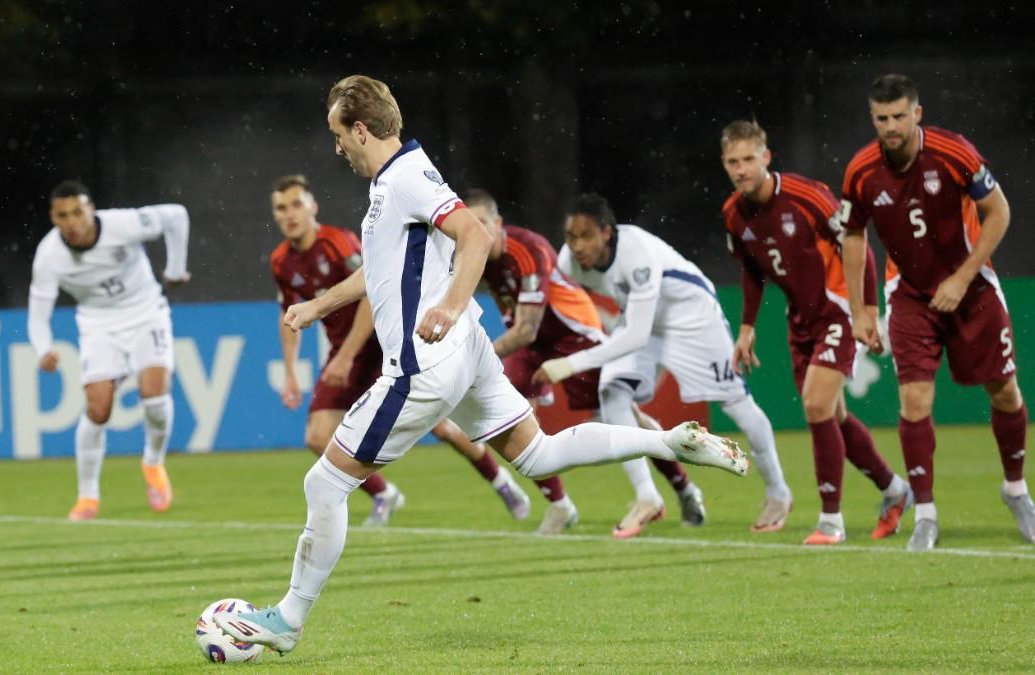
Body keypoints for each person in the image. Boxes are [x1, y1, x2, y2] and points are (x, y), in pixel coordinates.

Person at [228, 75, 747, 655]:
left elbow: (472, 234)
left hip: (422, 364)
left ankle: (288, 621)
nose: (335, 147)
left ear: (361, 128)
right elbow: (380, 270)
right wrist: (320, 305)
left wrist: (449, 306)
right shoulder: (402, 176)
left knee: (323, 482)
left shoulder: (402, 180)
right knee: (539, 453)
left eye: (337, 134)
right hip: (466, 350)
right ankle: (669, 443)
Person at [840, 74, 1034, 550]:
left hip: (972, 288)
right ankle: (925, 513)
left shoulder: (954, 152)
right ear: (873, 119)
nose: (891, 126)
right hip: (908, 296)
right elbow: (851, 234)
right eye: (882, 118)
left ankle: (1016, 490)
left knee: (1004, 391)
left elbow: (1000, 212)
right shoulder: (861, 171)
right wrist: (861, 309)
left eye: (900, 116)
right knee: (915, 402)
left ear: (916, 114)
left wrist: (963, 276)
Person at [269, 174, 531, 526]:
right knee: (317, 436)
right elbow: (288, 314)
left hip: (388, 340)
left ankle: (500, 481)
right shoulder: (281, 261)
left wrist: (346, 355)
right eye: (281, 208)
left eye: (296, 204)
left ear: (313, 207)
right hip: (345, 351)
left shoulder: (339, 244)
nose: (290, 214)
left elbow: (369, 292)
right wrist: (290, 371)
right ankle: (383, 494)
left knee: (442, 428)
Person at [534, 193, 790, 533]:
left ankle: (777, 491)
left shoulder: (635, 253)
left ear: (606, 233)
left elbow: (635, 335)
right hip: (644, 323)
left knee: (737, 405)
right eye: (571, 237)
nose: (577, 246)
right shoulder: (569, 261)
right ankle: (647, 497)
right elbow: (567, 305)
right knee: (612, 395)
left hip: (692, 319)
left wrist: (572, 363)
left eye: (586, 236)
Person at [719, 119, 912, 545]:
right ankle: (895, 490)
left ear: (766, 158)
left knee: (815, 405)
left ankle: (831, 521)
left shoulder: (807, 197)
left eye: (749, 159)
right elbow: (751, 270)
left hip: (839, 310)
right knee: (833, 417)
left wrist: (866, 311)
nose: (741, 169)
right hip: (800, 320)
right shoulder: (733, 214)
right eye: (733, 162)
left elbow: (856, 244)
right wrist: (747, 325)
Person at [27, 180, 189, 521]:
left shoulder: (123, 224)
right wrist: (43, 349)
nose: (72, 222)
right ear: (53, 218)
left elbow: (176, 216)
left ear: (91, 209)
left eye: (77, 212)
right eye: (62, 215)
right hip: (98, 324)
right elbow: (37, 316)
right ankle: (87, 497)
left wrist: (175, 268)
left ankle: (153, 462)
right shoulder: (49, 256)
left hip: (146, 312)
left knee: (154, 395)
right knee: (98, 408)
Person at [465, 188, 594, 534]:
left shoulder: (527, 249)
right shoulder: (473, 256)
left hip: (575, 336)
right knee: (508, 419)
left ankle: (681, 482)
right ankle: (560, 505)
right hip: (532, 347)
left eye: (482, 223)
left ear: (498, 223)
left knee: (618, 411)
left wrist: (478, 358)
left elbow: (526, 328)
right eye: (468, 224)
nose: (475, 231)